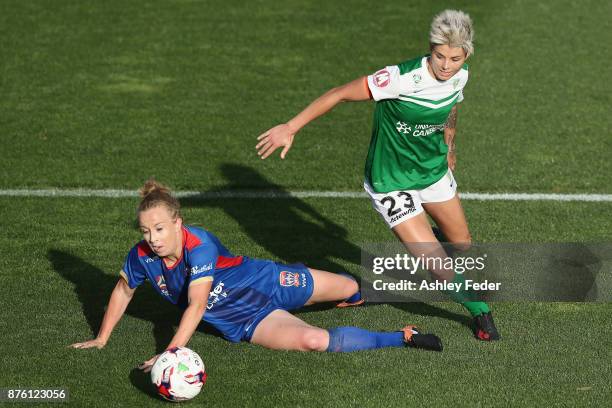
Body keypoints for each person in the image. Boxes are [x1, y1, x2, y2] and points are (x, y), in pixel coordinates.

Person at [256, 9, 499, 340]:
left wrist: (450, 147)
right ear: (430, 48)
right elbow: (340, 93)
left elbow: (452, 107)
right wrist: (291, 126)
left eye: (454, 58)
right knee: (439, 266)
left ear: (466, 55)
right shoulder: (398, 78)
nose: (445, 65)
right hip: (390, 182)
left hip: (432, 172)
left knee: (463, 244)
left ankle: (434, 239)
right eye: (439, 55)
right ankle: (480, 313)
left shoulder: (461, 76)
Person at [71, 180, 442, 371]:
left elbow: (197, 304)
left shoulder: (198, 245)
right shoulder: (141, 257)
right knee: (313, 340)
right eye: (145, 231)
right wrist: (102, 338)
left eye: (159, 230)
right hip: (243, 316)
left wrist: (170, 353)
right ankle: (401, 337)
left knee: (348, 286)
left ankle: (360, 292)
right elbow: (122, 291)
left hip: (262, 279)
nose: (152, 239)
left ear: (177, 224)